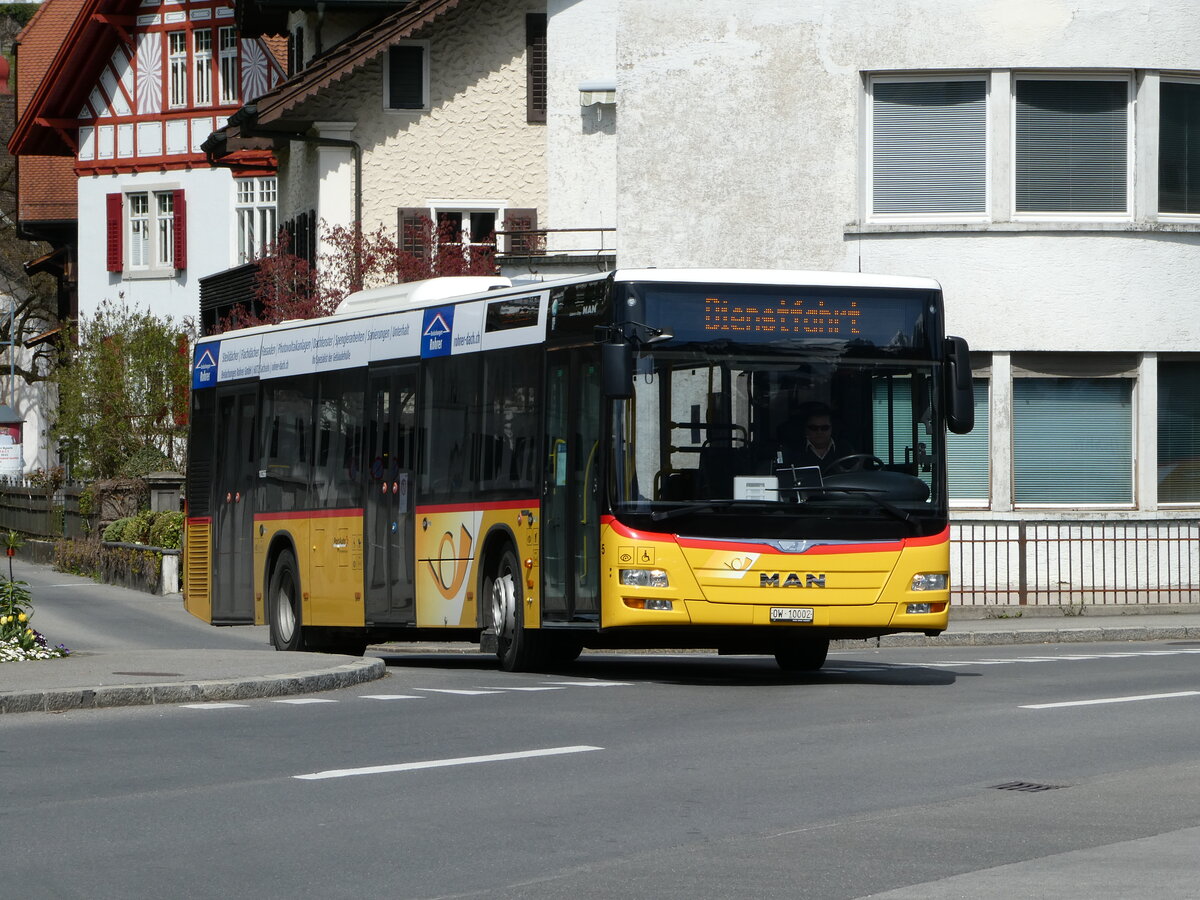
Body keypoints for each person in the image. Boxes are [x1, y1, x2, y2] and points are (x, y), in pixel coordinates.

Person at [777, 403, 854, 475]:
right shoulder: (793, 451)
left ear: (832, 428)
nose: (819, 432)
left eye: (824, 428)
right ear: (805, 429)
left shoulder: (845, 448)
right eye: (813, 428)